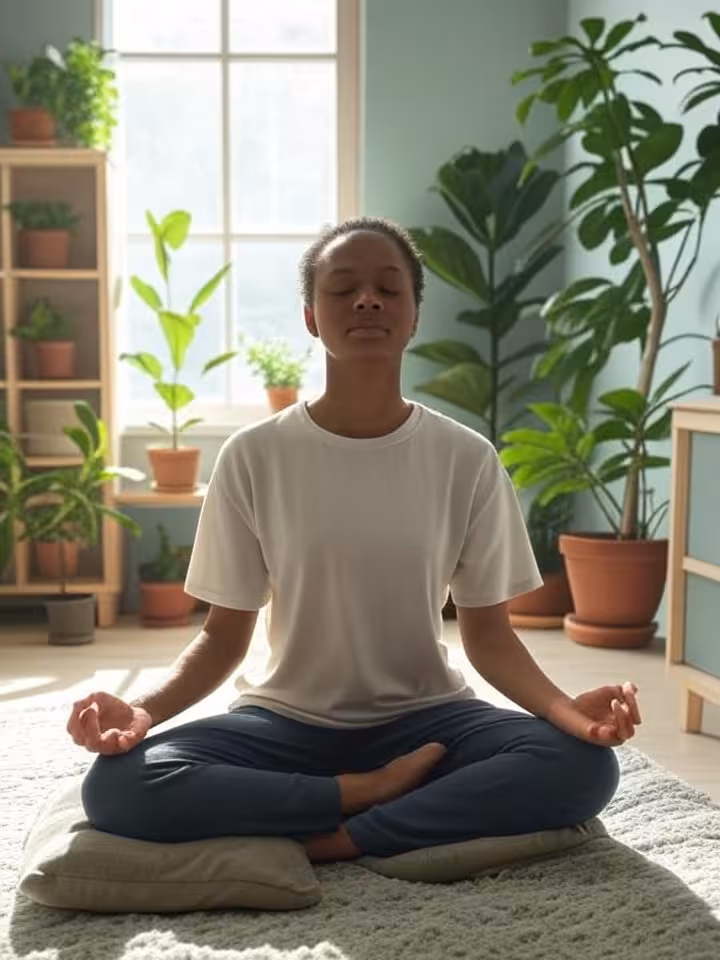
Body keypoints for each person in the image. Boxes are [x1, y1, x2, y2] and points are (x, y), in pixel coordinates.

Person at [70, 217, 639, 865]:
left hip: (429, 721)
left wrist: (569, 715)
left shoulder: (466, 458)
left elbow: (490, 638)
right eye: (343, 289)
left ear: (414, 315)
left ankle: (341, 836)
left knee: (582, 767)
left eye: (388, 289)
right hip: (285, 723)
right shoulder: (254, 455)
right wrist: (140, 711)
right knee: (118, 787)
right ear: (311, 318)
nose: (367, 300)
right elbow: (223, 637)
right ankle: (359, 794)